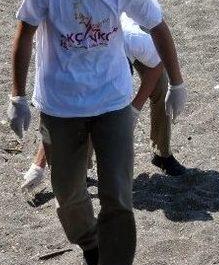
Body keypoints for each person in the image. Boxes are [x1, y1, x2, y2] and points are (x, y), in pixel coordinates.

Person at [7, 0, 186, 265]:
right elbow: (24, 35)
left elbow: (159, 28)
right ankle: (90, 245)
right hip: (61, 105)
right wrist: (17, 96)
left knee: (118, 195)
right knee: (69, 192)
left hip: (112, 104)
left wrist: (176, 83)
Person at [20, 14, 186, 191]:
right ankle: (81, 169)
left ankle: (162, 154)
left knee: (162, 86)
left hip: (139, 29)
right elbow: (57, 115)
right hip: (99, 41)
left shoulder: (134, 39)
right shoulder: (73, 66)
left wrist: (135, 108)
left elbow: (158, 62)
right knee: (88, 114)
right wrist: (38, 166)